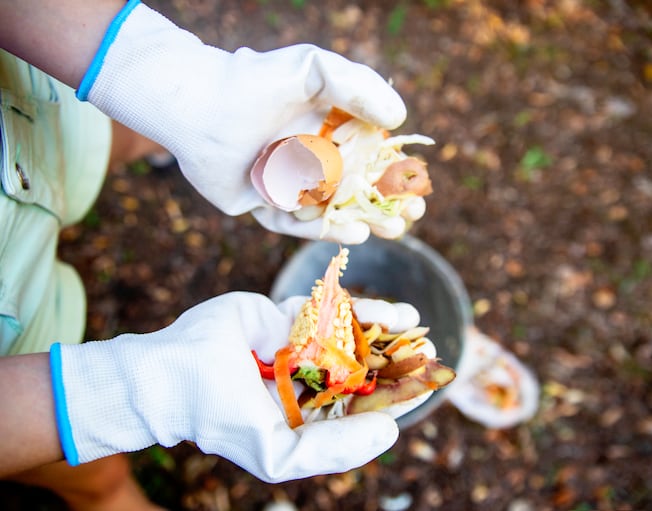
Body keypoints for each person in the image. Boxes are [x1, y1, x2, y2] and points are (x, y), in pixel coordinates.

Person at [0, 0, 413, 509]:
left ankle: (156, 143)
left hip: (22, 121)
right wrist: (117, 397)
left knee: (102, 134)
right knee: (94, 478)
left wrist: (180, 87)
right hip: (15, 349)